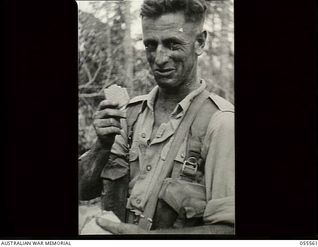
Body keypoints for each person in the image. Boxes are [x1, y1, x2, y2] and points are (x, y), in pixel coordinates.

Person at [79, 0, 235, 234]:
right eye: (151, 45)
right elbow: (83, 190)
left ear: (200, 42)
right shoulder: (128, 114)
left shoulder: (221, 122)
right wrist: (101, 146)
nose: (159, 59)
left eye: (172, 44)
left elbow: (229, 230)